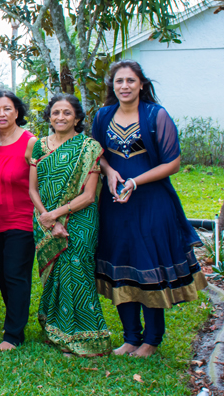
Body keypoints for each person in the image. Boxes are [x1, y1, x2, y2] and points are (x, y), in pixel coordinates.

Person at [93, 61, 207, 358]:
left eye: (131, 81)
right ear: (113, 86)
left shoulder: (157, 115)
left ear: (141, 84)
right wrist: (109, 172)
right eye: (119, 81)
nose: (125, 86)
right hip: (116, 205)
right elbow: (96, 153)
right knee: (120, 264)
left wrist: (134, 181)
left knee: (149, 266)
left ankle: (151, 340)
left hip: (152, 203)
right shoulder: (103, 116)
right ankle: (130, 337)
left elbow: (173, 163)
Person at [30, 94, 111, 357]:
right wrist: (47, 217)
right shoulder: (38, 147)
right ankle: (57, 332)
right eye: (55, 112)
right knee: (56, 277)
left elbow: (89, 196)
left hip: (80, 220)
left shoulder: (89, 147)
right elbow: (32, 189)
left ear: (77, 118)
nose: (60, 117)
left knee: (77, 275)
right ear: (49, 117)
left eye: (67, 113)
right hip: (44, 219)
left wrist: (57, 215)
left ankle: (86, 339)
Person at [0, 90, 37, 351]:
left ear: (17, 112)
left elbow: (42, 183)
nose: (1, 114)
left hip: (21, 219)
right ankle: (14, 320)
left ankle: (14, 335)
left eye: (7, 108)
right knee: (4, 275)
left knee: (16, 274)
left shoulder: (30, 143)